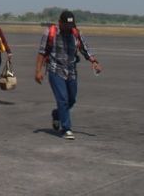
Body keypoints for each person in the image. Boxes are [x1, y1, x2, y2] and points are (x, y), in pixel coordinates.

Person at [35, 10, 102, 140]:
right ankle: (67, 128)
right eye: (66, 25)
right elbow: (42, 52)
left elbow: (85, 49)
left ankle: (57, 114)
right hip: (55, 70)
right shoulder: (50, 32)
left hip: (71, 71)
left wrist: (94, 62)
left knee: (71, 100)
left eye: (71, 25)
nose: (69, 28)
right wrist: (38, 71)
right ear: (60, 23)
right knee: (63, 99)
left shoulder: (76, 33)